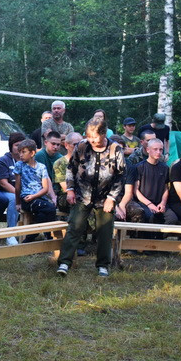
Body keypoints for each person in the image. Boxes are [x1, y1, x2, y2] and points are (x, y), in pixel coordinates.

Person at [56, 117, 126, 277]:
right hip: (83, 193)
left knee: (104, 231)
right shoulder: (81, 146)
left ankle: (103, 265)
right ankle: (64, 263)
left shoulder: (115, 149)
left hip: (105, 197)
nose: (91, 140)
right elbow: (71, 168)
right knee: (74, 227)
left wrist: (112, 198)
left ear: (104, 134)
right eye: (89, 136)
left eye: (94, 137)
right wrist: (70, 189)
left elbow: (121, 176)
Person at [14, 138, 57, 241]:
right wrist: (18, 203)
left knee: (47, 210)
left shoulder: (41, 167)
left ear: (32, 153)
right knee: (50, 209)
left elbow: (45, 188)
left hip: (38, 198)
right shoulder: (19, 165)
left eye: (23, 152)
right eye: (19, 152)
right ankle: (47, 235)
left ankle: (31, 237)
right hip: (26, 198)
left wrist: (34, 196)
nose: (20, 155)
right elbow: (17, 187)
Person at [131, 139, 169, 230]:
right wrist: (149, 204)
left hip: (160, 203)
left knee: (171, 219)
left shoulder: (165, 168)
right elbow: (135, 190)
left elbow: (166, 188)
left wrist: (163, 203)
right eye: (155, 149)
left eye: (161, 149)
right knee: (150, 217)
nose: (158, 152)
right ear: (148, 150)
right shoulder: (139, 167)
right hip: (143, 203)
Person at [0, 133, 25, 245]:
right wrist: (19, 195)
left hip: (25, 191)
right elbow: (3, 183)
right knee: (14, 199)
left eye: (22, 145)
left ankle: (37, 232)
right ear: (11, 146)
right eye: (17, 145)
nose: (20, 148)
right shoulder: (4, 160)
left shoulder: (27, 160)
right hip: (6, 192)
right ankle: (11, 234)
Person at [34, 130, 62, 202]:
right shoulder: (40, 155)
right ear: (46, 142)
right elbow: (43, 177)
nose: (55, 147)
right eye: (53, 144)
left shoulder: (60, 158)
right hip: (42, 188)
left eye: (58, 144)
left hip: (57, 189)